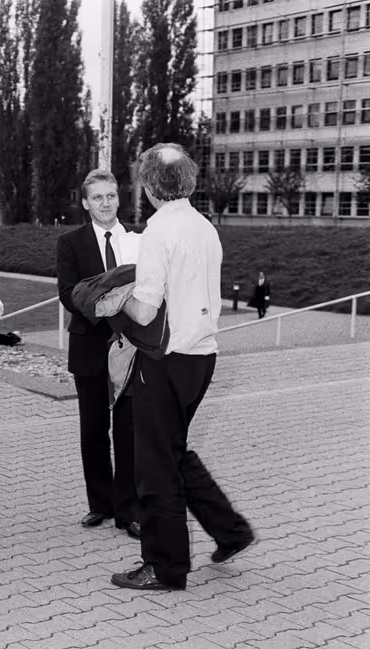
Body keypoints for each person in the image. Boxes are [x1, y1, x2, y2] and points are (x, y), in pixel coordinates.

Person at [111, 144, 254, 592]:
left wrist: (109, 298)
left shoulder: (158, 230)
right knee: (172, 451)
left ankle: (165, 567)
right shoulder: (204, 226)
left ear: (150, 186)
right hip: (201, 357)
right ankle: (230, 530)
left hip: (164, 360)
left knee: (155, 466)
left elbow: (145, 310)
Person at [56, 169, 140, 539]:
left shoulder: (138, 240)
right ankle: (100, 504)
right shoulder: (70, 243)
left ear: (119, 198)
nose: (105, 203)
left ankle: (129, 510)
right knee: (93, 430)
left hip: (131, 347)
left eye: (110, 196)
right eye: (97, 197)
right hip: (90, 345)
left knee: (128, 431)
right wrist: (108, 303)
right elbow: (68, 293)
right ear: (86, 202)